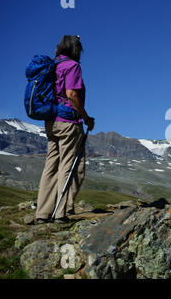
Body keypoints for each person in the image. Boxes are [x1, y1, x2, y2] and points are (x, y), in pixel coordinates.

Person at [35, 35, 95, 224]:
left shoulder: (52, 66)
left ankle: (42, 213)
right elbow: (71, 94)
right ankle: (61, 212)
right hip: (69, 121)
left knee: (51, 166)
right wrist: (85, 118)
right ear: (75, 49)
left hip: (51, 121)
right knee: (70, 166)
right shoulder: (72, 66)